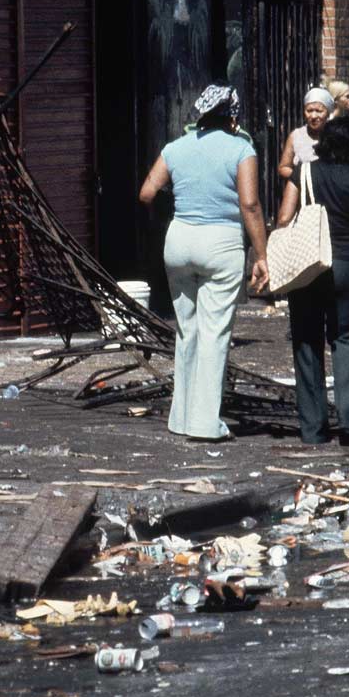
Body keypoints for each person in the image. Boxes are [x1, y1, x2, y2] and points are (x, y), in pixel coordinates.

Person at [140, 84, 270, 441]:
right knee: (214, 334)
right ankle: (204, 424)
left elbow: (147, 192)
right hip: (221, 242)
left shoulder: (175, 147)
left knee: (187, 330)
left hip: (179, 239)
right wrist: (261, 255)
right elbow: (250, 205)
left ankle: (180, 418)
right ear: (232, 117)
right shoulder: (241, 147)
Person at [275, 117, 349, 445]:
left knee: (306, 341)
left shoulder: (302, 171)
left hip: (307, 266)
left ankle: (313, 428)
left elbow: (282, 217)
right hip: (343, 265)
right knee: (346, 339)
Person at [277, 87, 333, 179]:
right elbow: (283, 168)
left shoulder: (335, 135)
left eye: (319, 111)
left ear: (327, 113)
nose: (313, 116)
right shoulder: (296, 136)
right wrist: (304, 179)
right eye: (309, 111)